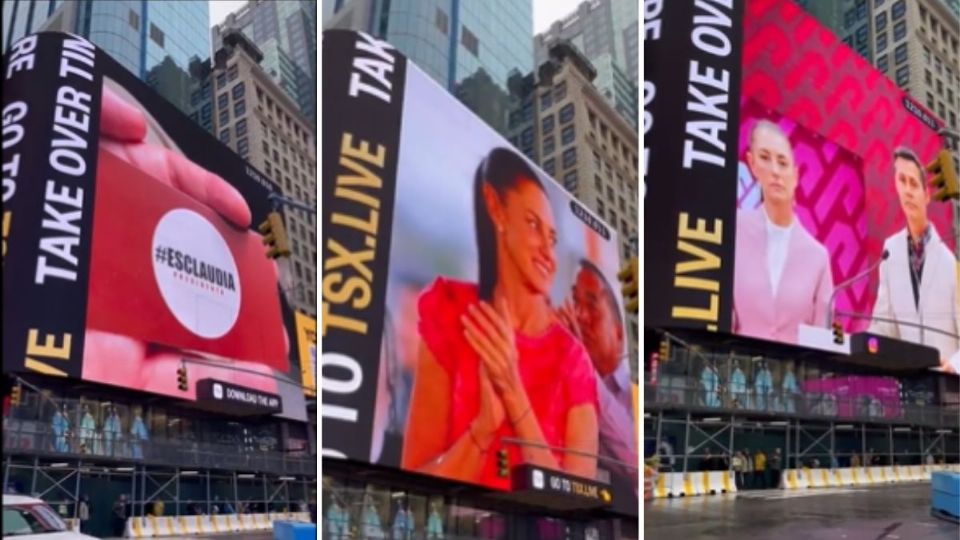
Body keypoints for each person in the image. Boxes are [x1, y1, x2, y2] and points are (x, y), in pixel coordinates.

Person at [402, 147, 599, 486]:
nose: (547, 253)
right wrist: (482, 429)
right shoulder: (450, 312)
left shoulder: (573, 360)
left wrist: (512, 392)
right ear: (495, 207)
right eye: (533, 225)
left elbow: (581, 493)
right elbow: (413, 480)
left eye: (551, 238)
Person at [733, 120, 834, 344]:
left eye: (782, 162)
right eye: (765, 158)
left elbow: (825, 338)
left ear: (795, 175)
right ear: (752, 164)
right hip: (738, 372)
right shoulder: (733, 230)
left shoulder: (817, 255)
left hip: (796, 374)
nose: (775, 171)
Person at [869, 147, 960, 373]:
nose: (908, 190)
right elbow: (883, 326)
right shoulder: (890, 250)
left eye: (913, 183)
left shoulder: (951, 264)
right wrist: (859, 344)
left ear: (926, 194)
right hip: (907, 393)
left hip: (948, 392)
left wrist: (954, 366)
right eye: (902, 181)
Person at [556, 260, 638, 485]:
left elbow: (635, 463)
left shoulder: (634, 396)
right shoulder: (562, 368)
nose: (579, 315)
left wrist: (582, 363)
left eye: (591, 305)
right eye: (575, 300)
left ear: (619, 334)